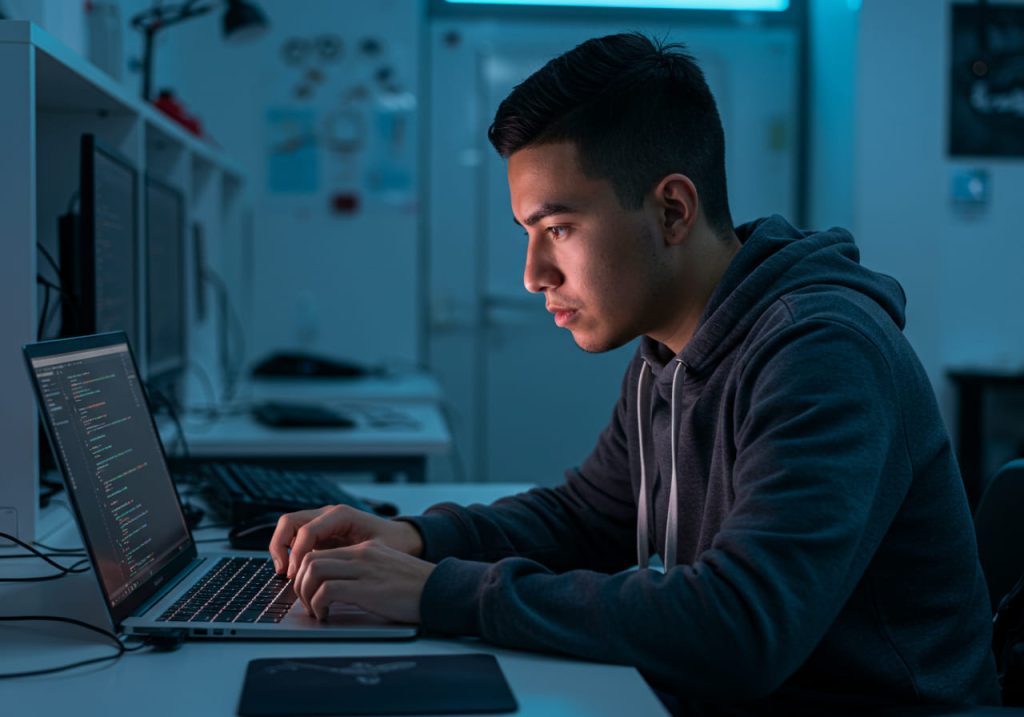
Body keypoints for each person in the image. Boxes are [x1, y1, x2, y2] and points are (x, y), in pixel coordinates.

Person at [269, 33, 1000, 714]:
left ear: (673, 210)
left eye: (559, 229)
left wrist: (439, 593)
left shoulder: (824, 353)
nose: (532, 275)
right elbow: (586, 518)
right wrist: (418, 542)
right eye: (529, 233)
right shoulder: (669, 353)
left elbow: (739, 628)